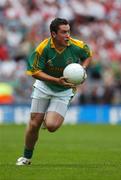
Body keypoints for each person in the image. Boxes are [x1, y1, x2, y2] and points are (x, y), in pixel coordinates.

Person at [16, 18, 92, 165]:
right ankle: (26, 157)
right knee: (34, 124)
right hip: (44, 86)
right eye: (63, 32)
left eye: (68, 31)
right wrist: (55, 80)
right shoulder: (42, 48)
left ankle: (47, 117)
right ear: (53, 34)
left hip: (64, 90)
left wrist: (83, 69)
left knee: (51, 126)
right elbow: (34, 71)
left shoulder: (78, 46)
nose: (67, 35)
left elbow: (87, 56)